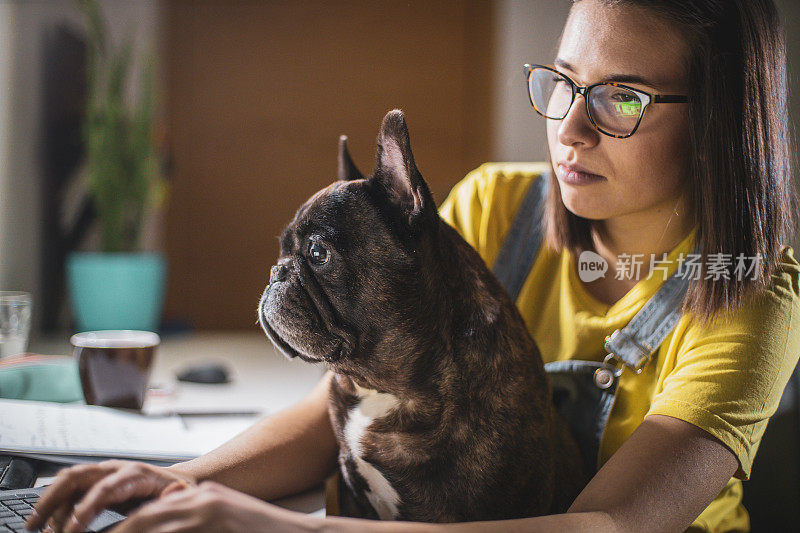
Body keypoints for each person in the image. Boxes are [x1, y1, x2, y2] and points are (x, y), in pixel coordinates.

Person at [27, 0, 800, 531]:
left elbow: (610, 524)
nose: (568, 127)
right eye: (563, 83)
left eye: (621, 99)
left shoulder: (753, 294)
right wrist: (177, 483)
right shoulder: (497, 208)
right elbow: (353, 402)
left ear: (721, 121)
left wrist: (265, 524)